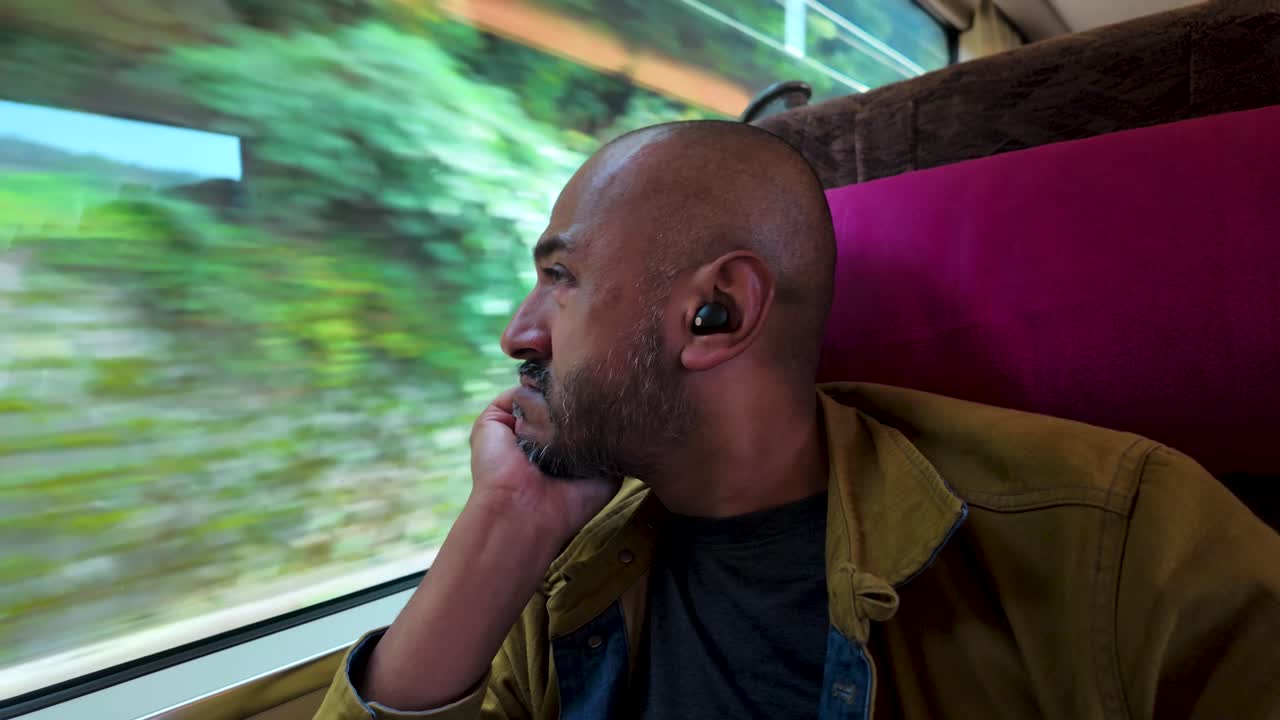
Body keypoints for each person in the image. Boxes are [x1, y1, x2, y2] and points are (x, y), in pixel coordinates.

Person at [314, 120, 1280, 720]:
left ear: (718, 313)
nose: (516, 332)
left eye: (559, 278)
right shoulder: (563, 572)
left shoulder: (1114, 541)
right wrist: (505, 521)